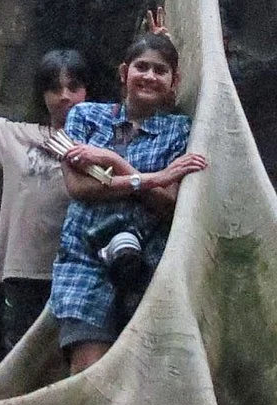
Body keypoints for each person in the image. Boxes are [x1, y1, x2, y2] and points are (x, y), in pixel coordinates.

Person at [51, 28, 208, 373]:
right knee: (88, 373)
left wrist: (114, 162)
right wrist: (153, 179)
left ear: (174, 81)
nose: (149, 76)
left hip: (146, 266)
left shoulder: (179, 130)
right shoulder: (85, 117)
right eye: (142, 67)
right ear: (124, 73)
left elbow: (169, 205)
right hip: (85, 260)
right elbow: (78, 188)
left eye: (160, 70)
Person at [0, 29, 90, 347]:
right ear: (42, 95)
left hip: (79, 267)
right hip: (24, 269)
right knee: (18, 347)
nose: (65, 97)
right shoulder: (20, 135)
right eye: (55, 89)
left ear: (86, 90)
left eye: (73, 87)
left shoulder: (98, 139)